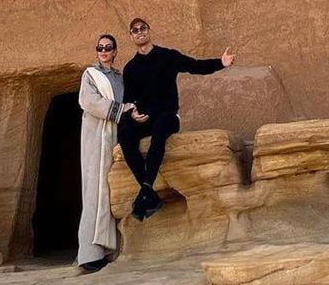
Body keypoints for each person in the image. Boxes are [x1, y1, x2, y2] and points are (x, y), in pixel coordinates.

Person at [117, 17, 235, 221]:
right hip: (145, 119)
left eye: (143, 28)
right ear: (131, 36)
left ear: (149, 30)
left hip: (168, 116)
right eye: (135, 30)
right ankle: (148, 192)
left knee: (161, 127)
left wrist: (221, 63)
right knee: (125, 133)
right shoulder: (130, 68)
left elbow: (195, 66)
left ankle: (146, 190)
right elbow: (129, 99)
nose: (139, 32)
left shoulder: (167, 56)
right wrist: (133, 114)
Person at [77, 34, 131, 273]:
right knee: (94, 190)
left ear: (115, 51)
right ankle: (89, 254)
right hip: (96, 136)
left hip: (115, 135)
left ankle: (110, 249)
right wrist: (120, 109)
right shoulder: (90, 75)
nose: (104, 50)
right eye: (100, 47)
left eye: (108, 47)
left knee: (111, 191)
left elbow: (129, 102)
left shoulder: (120, 78)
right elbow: (88, 102)